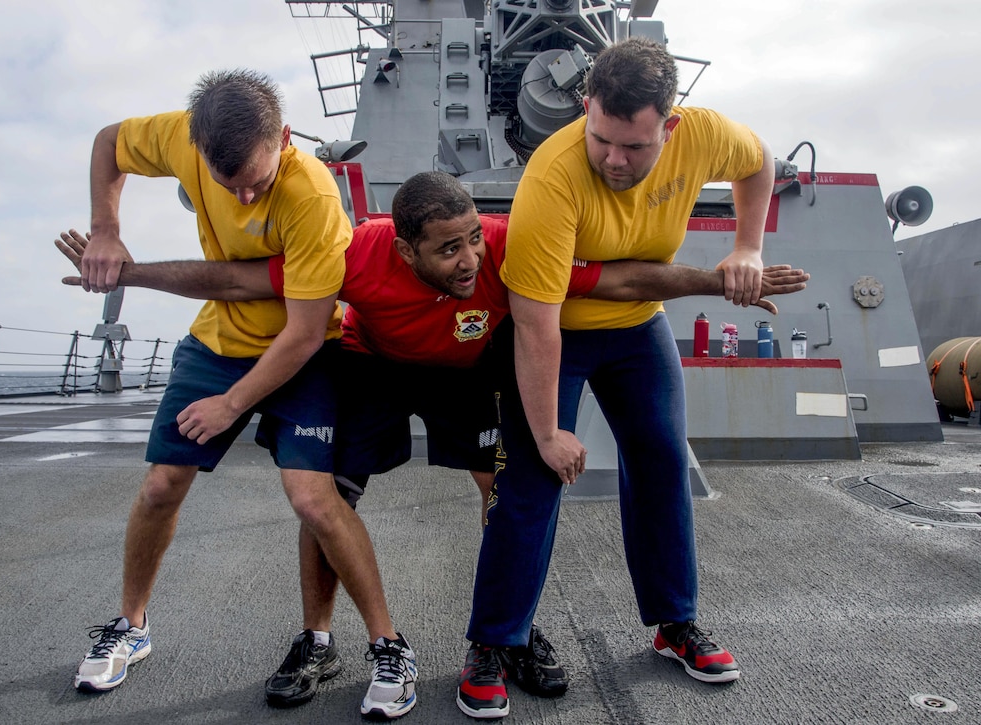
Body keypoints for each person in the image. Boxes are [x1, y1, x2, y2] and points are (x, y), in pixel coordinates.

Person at [58, 170, 805, 710]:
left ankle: (513, 632)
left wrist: (721, 280)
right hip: (374, 366)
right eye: (448, 249)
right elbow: (238, 278)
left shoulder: (507, 245)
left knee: (503, 488)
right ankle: (317, 640)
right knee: (331, 497)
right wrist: (129, 271)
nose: (471, 260)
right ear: (406, 248)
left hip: (467, 372)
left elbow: (610, 279)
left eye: (473, 239)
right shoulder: (356, 252)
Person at [70, 68, 418, 721]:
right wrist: (104, 228)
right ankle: (131, 624)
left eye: (258, 180)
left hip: (304, 349)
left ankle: (376, 642)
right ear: (198, 152)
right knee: (159, 486)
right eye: (232, 186)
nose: (248, 196)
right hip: (218, 342)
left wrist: (232, 406)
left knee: (315, 497)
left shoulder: (311, 194)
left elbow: (305, 332)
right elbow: (108, 142)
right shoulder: (182, 137)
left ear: (284, 138)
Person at [455, 37, 778, 719]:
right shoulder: (553, 176)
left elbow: (759, 161)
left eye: (634, 146)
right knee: (532, 480)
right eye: (602, 138)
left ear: (672, 125)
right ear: (585, 107)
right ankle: (492, 641)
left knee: (661, 461)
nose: (614, 158)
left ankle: (674, 623)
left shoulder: (709, 134)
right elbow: (537, 322)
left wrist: (747, 246)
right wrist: (548, 433)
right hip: (558, 330)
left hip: (636, 325)